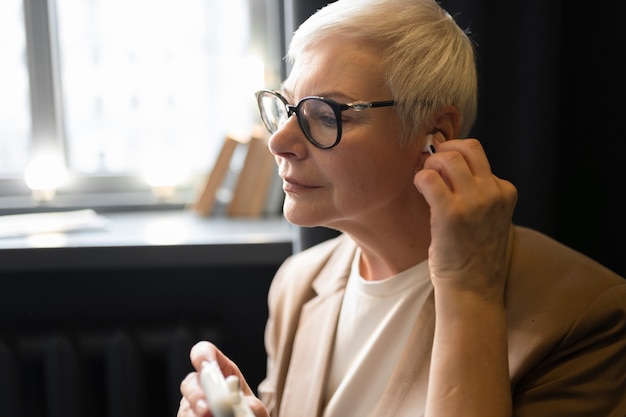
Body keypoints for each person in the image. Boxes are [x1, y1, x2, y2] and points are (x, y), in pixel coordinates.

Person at [178, 0, 626, 415]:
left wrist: (468, 290)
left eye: (328, 113)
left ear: (437, 134)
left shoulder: (587, 315)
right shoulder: (298, 284)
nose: (280, 142)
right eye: (288, 107)